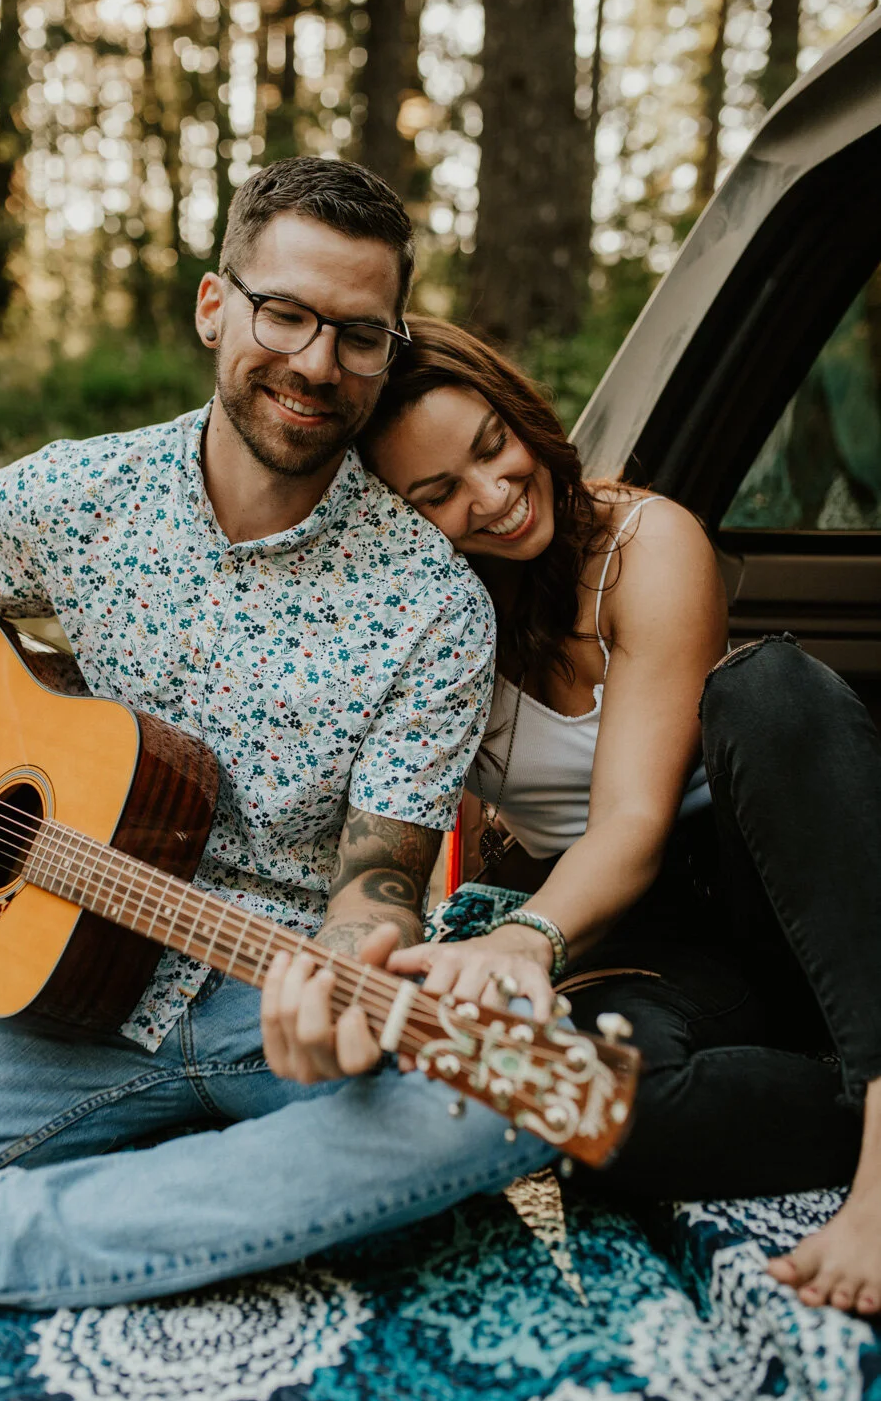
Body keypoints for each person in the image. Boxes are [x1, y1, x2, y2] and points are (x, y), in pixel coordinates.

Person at [0, 163, 557, 1401]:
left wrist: (351, 962)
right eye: (284, 314)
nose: (315, 359)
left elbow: (382, 875)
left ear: (388, 353)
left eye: (358, 334)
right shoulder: (82, 497)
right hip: (54, 1001)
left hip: (264, 1004)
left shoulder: (436, 604)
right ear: (216, 306)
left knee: (513, 1090)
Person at [357, 315, 881, 1318]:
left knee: (769, 690)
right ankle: (849, 1094)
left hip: (777, 872)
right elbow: (406, 820)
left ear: (520, 414)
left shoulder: (645, 541)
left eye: (490, 446)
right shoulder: (417, 627)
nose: (494, 494)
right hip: (648, 945)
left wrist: (524, 937)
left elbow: (635, 820)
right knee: (574, 1105)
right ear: (393, 520)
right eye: (438, 494)